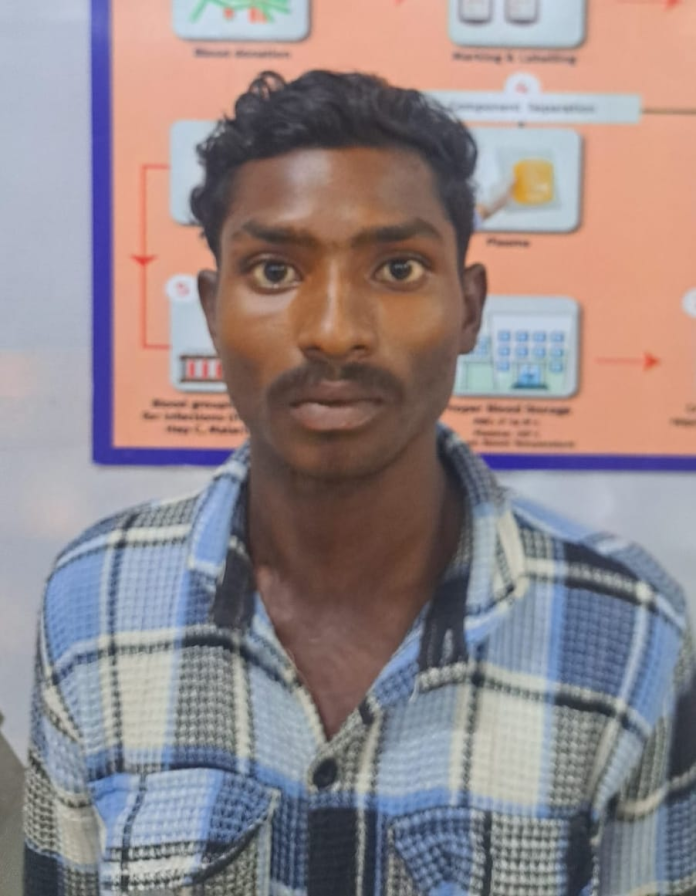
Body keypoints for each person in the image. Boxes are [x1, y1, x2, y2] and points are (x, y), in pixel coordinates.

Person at [24, 70, 695, 895]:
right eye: (275, 271)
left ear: (469, 309)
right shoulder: (94, 602)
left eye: (399, 269)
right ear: (211, 309)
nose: (335, 332)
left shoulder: (628, 629)